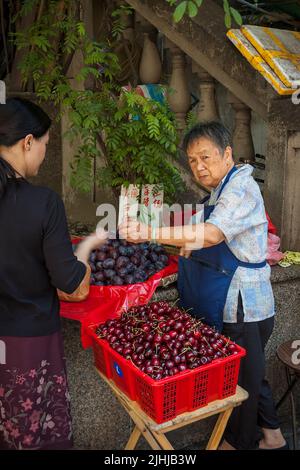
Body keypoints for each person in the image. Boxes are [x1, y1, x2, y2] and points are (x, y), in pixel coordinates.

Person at [119, 121, 287, 450]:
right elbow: (198, 235)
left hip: (243, 304)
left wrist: (148, 232)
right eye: (193, 160)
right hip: (229, 299)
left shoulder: (240, 187)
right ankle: (274, 437)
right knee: (250, 370)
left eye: (206, 157)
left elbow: (211, 234)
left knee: (241, 379)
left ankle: (236, 443)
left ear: (227, 154)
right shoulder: (218, 192)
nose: (199, 167)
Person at [0, 97, 107, 450]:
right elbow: (73, 285)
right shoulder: (42, 202)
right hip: (26, 343)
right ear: (27, 142)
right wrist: (87, 251)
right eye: (45, 145)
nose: (45, 155)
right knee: (33, 434)